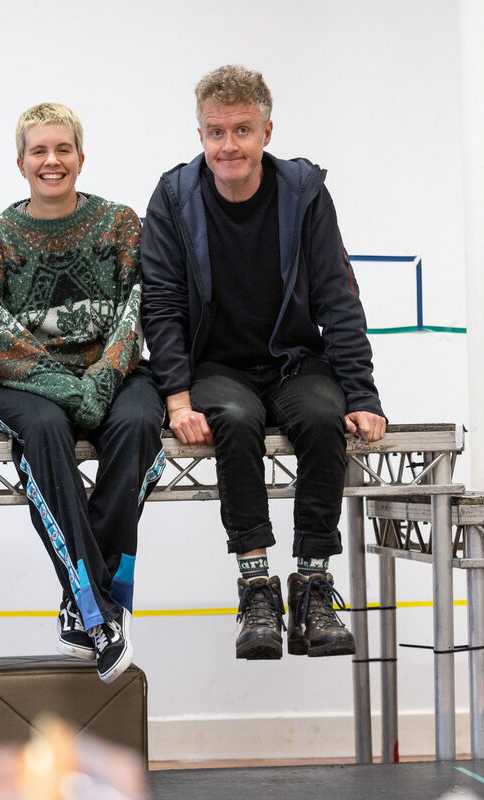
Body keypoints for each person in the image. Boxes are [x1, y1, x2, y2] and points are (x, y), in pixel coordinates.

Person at [140, 65, 387, 661]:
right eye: (216, 132)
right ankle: (256, 588)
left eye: (242, 130)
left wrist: (362, 395)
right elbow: (163, 306)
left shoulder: (304, 194)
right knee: (234, 418)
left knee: (324, 418)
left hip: (293, 362)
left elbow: (336, 295)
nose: (229, 145)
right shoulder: (174, 197)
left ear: (266, 133)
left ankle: (314, 584)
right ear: (201, 135)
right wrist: (177, 397)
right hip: (215, 367)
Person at [0, 103, 166, 684]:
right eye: (39, 151)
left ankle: (84, 603)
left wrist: (99, 383)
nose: (51, 160)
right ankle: (101, 608)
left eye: (62, 149)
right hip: (22, 382)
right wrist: (70, 393)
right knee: (47, 430)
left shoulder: (119, 225)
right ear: (20, 163)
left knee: (137, 423)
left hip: (113, 373)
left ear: (81, 158)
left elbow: (135, 315)